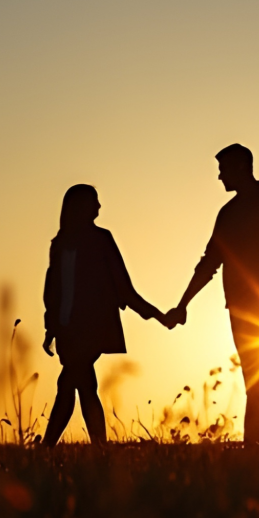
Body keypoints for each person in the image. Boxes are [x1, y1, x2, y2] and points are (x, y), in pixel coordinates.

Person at [166, 144, 259, 446]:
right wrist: (183, 304)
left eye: (223, 170)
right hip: (239, 307)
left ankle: (256, 453)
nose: (220, 177)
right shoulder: (228, 214)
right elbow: (209, 262)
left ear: (240, 168)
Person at [41, 184, 168, 445]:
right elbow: (52, 289)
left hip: (90, 327)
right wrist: (51, 328)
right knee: (80, 386)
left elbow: (123, 287)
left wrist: (154, 314)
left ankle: (50, 447)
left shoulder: (101, 239)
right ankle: (95, 448)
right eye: (94, 202)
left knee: (72, 384)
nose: (99, 207)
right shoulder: (60, 244)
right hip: (66, 328)